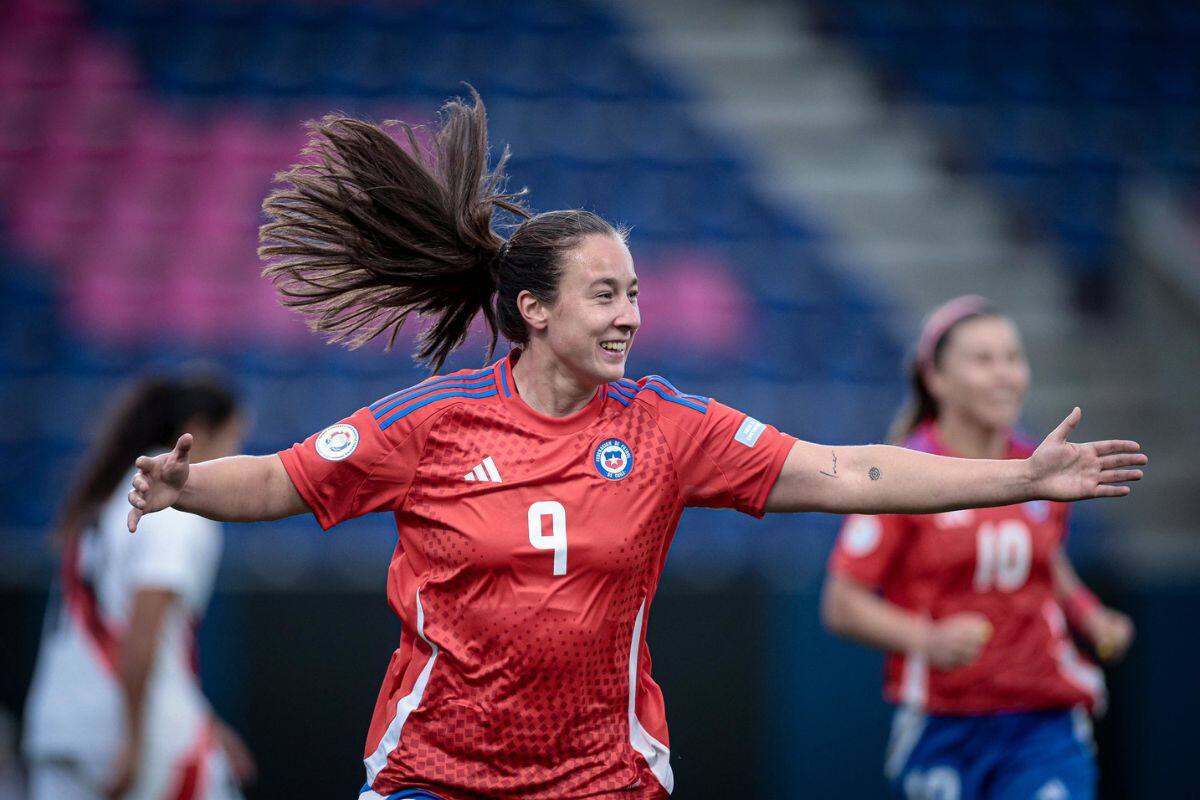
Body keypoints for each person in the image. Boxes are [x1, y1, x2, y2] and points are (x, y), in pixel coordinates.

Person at [126, 91, 1145, 800]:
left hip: (604, 774)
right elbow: (277, 479)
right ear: (531, 309)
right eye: (605, 294)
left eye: (637, 294)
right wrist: (184, 484)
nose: (628, 316)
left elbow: (848, 470)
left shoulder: (668, 426)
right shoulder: (429, 424)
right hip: (431, 770)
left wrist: (1018, 473)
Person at [822, 296, 1136, 800]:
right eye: (984, 360)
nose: (1005, 375)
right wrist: (928, 639)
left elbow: (1046, 558)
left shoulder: (1042, 467)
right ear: (936, 378)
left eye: (1013, 358)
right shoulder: (903, 474)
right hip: (945, 723)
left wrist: (1088, 614)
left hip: (1043, 718)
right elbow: (842, 604)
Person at [24, 374, 255, 800]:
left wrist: (203, 719)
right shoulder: (174, 499)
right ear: (199, 431)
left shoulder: (118, 492)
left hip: (59, 725)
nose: (237, 456)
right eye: (234, 439)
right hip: (129, 732)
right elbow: (142, 626)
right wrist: (134, 738)